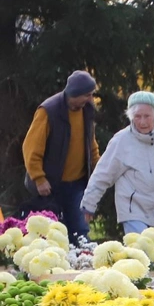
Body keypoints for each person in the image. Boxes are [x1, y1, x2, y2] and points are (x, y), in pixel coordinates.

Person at [21, 70, 100, 241]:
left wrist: (98, 172)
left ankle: (82, 264)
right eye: (87, 95)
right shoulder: (48, 111)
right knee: (51, 234)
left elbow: (91, 145)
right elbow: (31, 147)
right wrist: (39, 178)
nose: (90, 99)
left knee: (80, 232)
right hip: (50, 185)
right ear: (75, 93)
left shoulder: (87, 110)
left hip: (78, 184)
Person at [80, 92, 154, 236]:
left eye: (147, 116)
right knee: (141, 253)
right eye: (137, 117)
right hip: (133, 210)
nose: (142, 122)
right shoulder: (121, 140)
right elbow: (103, 174)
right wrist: (89, 204)